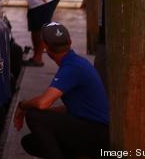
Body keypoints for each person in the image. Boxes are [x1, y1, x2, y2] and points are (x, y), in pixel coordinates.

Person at [14, 22, 110, 159]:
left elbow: (42, 103)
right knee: (31, 142)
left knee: (34, 116)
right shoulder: (76, 62)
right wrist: (45, 111)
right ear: (70, 42)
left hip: (98, 135)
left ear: (45, 47)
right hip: (99, 133)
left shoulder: (71, 67)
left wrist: (22, 105)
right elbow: (72, 108)